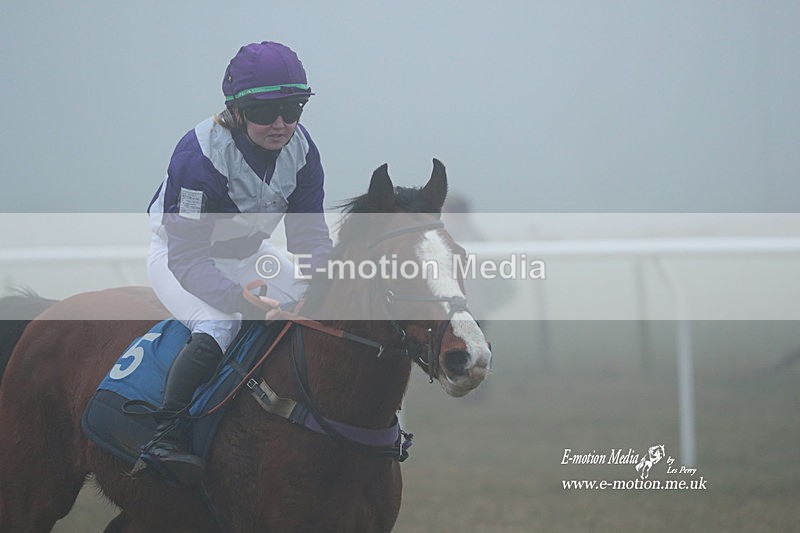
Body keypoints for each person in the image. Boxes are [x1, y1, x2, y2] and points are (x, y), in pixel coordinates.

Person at [145, 41, 333, 484]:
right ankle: (164, 434)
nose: (282, 124)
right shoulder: (199, 155)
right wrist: (237, 299)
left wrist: (325, 281)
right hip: (181, 257)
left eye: (293, 108)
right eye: (267, 112)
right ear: (236, 109)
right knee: (221, 326)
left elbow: (310, 237)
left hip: (250, 255)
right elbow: (187, 256)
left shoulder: (303, 150)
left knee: (324, 311)